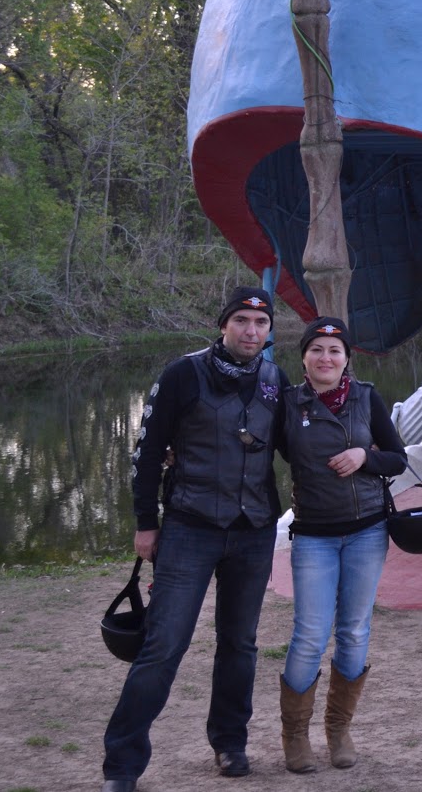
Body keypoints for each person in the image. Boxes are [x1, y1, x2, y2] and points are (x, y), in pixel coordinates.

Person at [102, 287, 288, 791]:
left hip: (253, 532)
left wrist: (362, 445)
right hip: (189, 528)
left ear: (270, 331)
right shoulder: (183, 373)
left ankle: (230, 743)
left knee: (240, 644)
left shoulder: (275, 380)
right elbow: (146, 453)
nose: (252, 331)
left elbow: (297, 445)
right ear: (224, 324)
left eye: (261, 322)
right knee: (163, 646)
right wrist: (146, 522)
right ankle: (122, 765)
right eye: (242, 321)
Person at [277, 317, 407, 774]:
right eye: (317, 350)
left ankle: (338, 730)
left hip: (368, 532)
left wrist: (364, 457)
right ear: (304, 358)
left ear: (346, 358)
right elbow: (254, 451)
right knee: (310, 634)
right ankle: (295, 736)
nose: (326, 358)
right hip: (314, 535)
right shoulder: (288, 405)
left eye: (335, 350)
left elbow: (398, 457)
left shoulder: (367, 398)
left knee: (354, 631)